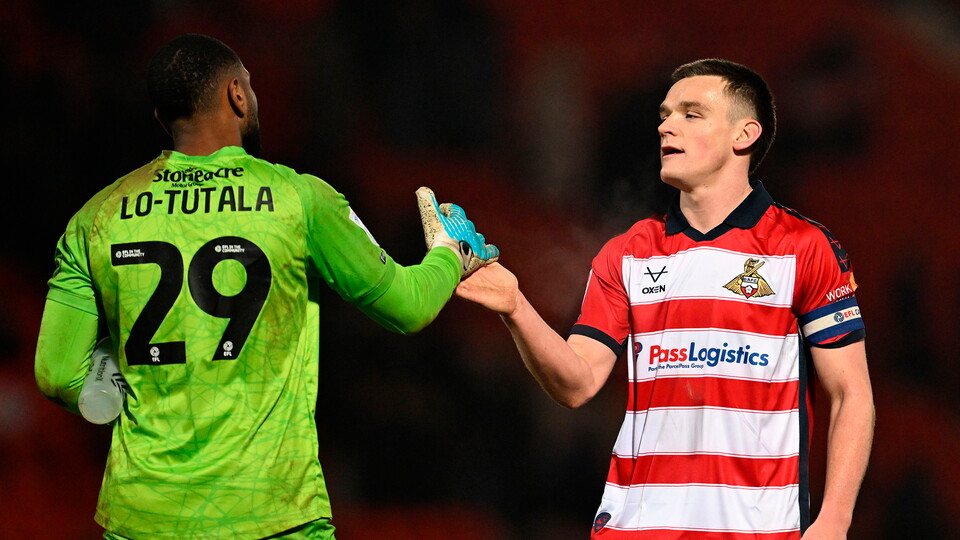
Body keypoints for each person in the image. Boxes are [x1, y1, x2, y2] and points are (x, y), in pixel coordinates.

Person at [34, 33, 498, 539]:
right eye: (251, 89)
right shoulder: (300, 199)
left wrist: (122, 385)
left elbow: (58, 373)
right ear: (236, 94)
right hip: (272, 515)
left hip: (145, 515)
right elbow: (409, 305)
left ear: (161, 119)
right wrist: (450, 256)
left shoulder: (96, 218)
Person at [457, 58, 874, 538]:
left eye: (691, 114)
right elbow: (577, 383)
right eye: (665, 113)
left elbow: (850, 393)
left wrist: (835, 520)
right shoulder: (626, 253)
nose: (666, 125)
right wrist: (515, 306)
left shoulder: (804, 248)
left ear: (744, 135)